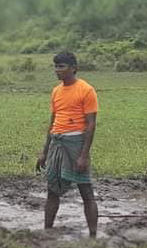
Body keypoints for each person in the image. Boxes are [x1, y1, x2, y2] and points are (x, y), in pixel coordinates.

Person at [35, 51, 100, 237]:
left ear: (73, 68)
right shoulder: (56, 91)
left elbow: (91, 124)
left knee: (86, 191)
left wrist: (83, 156)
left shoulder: (86, 90)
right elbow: (53, 121)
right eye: (56, 66)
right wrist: (45, 152)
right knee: (52, 191)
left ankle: (93, 236)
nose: (58, 70)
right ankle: (47, 232)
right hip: (57, 143)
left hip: (76, 144)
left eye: (61, 66)